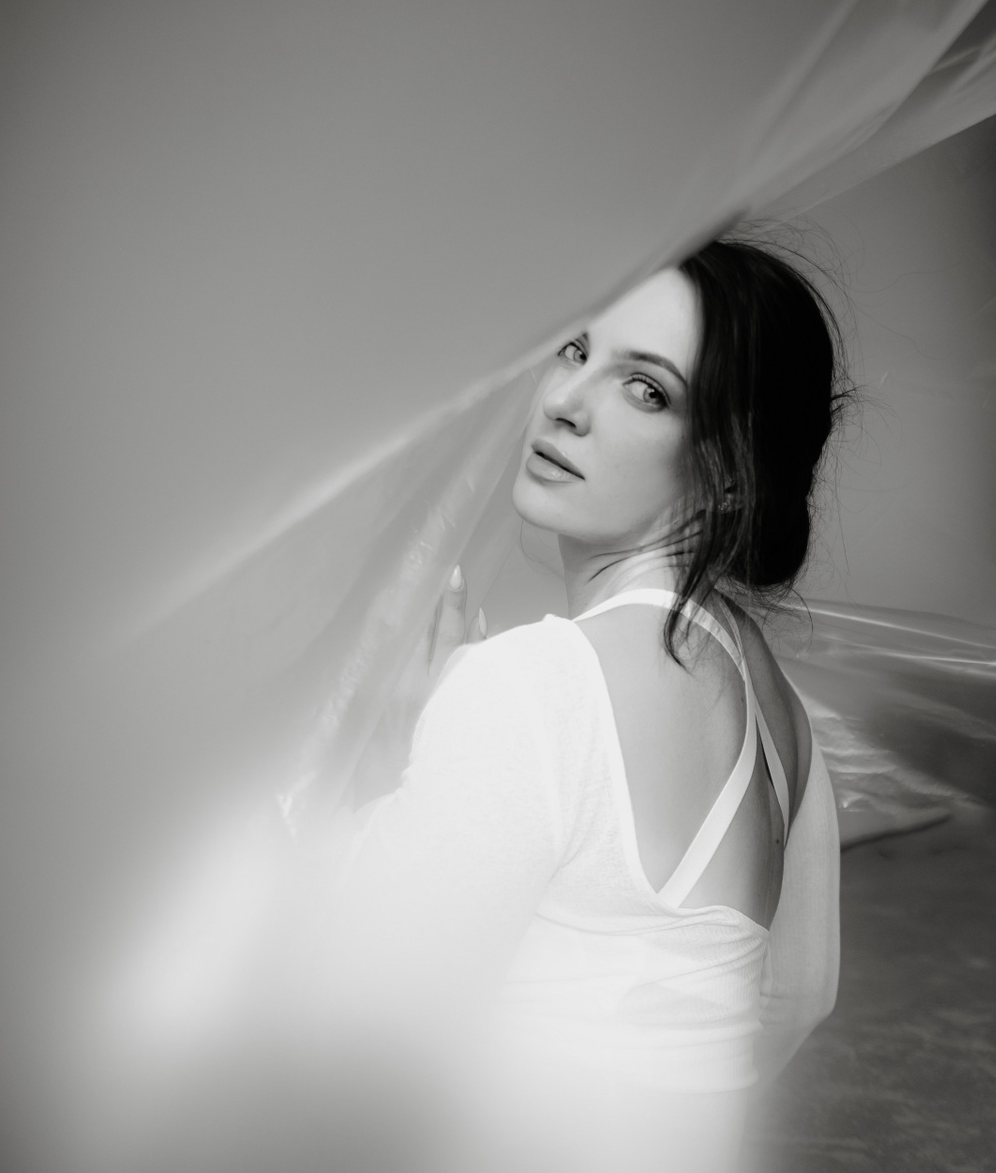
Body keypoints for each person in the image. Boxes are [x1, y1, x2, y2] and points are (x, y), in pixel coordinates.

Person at [338, 239, 847, 1172]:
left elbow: (353, 1025)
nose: (566, 401)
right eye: (575, 349)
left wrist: (392, 754)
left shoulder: (533, 687)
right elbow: (802, 997)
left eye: (645, 389)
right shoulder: (779, 706)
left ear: (729, 469)